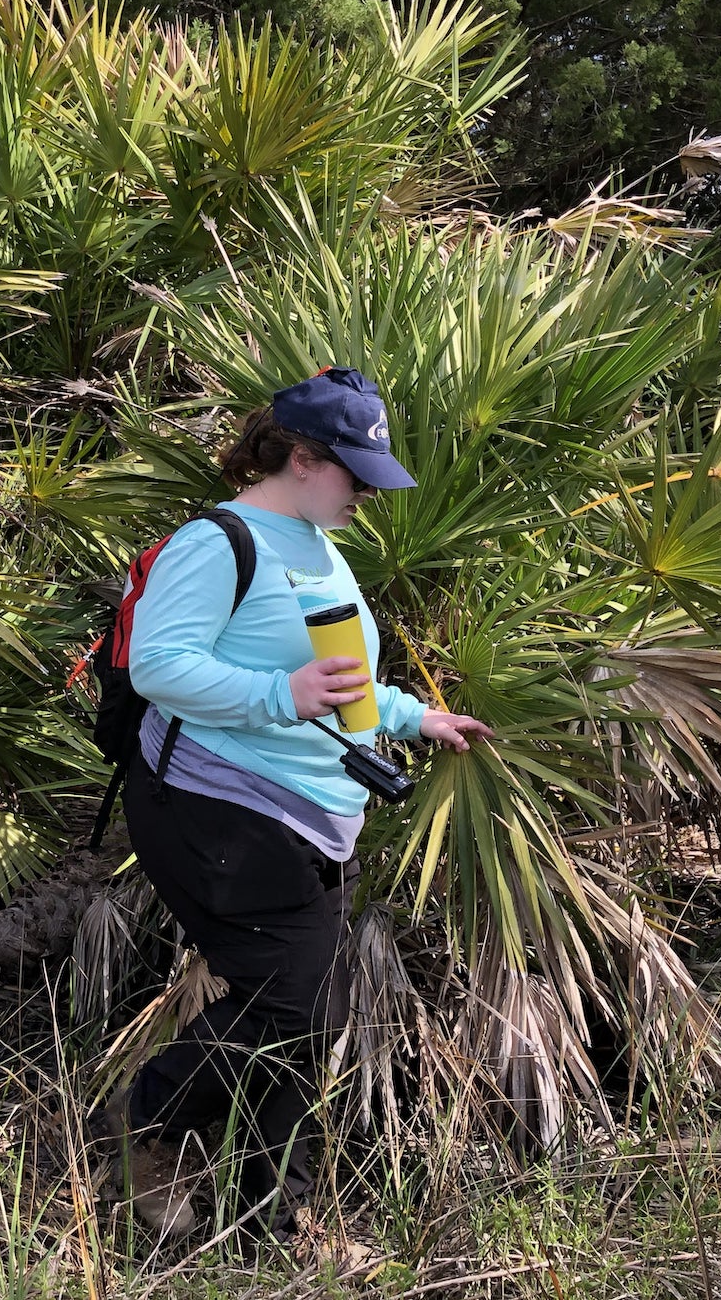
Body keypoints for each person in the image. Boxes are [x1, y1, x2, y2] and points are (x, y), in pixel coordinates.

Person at [109, 367, 493, 1238]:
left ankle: (268, 1214)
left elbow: (339, 685)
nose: (369, 494)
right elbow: (161, 667)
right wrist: (282, 694)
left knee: (303, 1018)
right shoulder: (219, 541)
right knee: (297, 1006)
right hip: (214, 807)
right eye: (357, 474)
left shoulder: (321, 545)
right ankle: (150, 1123)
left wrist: (412, 715)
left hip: (307, 810)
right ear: (302, 456)